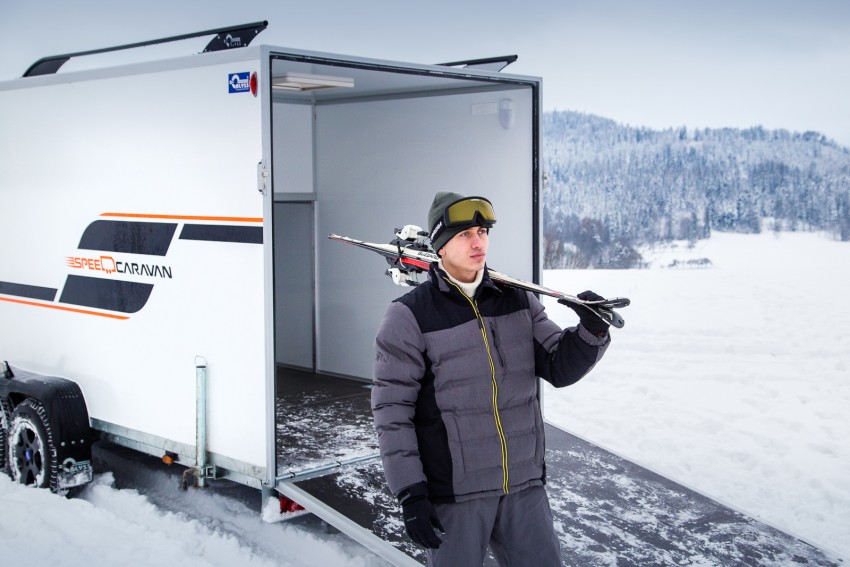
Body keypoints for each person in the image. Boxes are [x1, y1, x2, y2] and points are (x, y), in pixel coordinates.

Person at [372, 192, 611, 566]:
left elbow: (558, 366)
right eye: (465, 234)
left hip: (523, 485)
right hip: (455, 494)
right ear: (440, 244)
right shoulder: (409, 316)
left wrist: (591, 332)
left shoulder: (518, 300)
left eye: (482, 232)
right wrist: (410, 492)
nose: (478, 242)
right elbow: (392, 412)